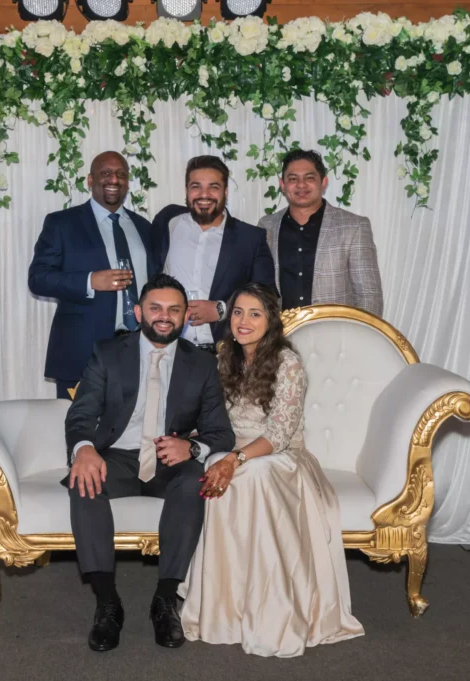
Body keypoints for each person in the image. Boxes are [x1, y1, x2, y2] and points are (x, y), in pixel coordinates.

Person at [180, 282, 365, 658]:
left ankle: (274, 607)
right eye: (237, 312)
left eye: (254, 313)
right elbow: (213, 417)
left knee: (253, 473)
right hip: (234, 448)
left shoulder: (288, 363)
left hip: (282, 458)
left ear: (271, 320)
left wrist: (236, 459)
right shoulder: (222, 358)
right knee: (216, 465)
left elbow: (279, 435)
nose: (243, 321)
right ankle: (226, 609)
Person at [63, 273, 235, 653]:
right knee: (83, 479)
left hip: (168, 459)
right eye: (155, 308)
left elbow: (221, 432)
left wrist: (190, 449)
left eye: (174, 310)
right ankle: (107, 603)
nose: (164, 316)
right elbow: (80, 414)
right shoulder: (108, 353)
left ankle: (165, 599)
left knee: (194, 481)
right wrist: (85, 449)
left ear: (185, 315)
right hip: (118, 458)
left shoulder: (203, 364)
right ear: (138, 311)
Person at [29, 151, 159, 398]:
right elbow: (38, 278)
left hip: (139, 350)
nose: (114, 179)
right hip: (82, 352)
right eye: (106, 173)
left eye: (121, 174)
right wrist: (90, 280)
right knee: (80, 431)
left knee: (132, 431)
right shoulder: (62, 223)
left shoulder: (144, 227)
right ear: (90, 180)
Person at [152, 155, 275, 352]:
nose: (204, 194)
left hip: (225, 353)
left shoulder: (250, 238)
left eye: (213, 187)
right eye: (196, 186)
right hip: (170, 349)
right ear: (186, 191)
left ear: (225, 192)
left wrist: (222, 310)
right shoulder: (168, 221)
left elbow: (268, 297)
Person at [258, 149, 384, 317]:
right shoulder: (266, 226)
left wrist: (357, 339)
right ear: (282, 184)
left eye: (309, 178)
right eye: (293, 179)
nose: (301, 185)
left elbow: (369, 295)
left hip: (336, 334)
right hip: (281, 336)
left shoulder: (354, 227)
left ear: (323, 182)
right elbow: (259, 292)